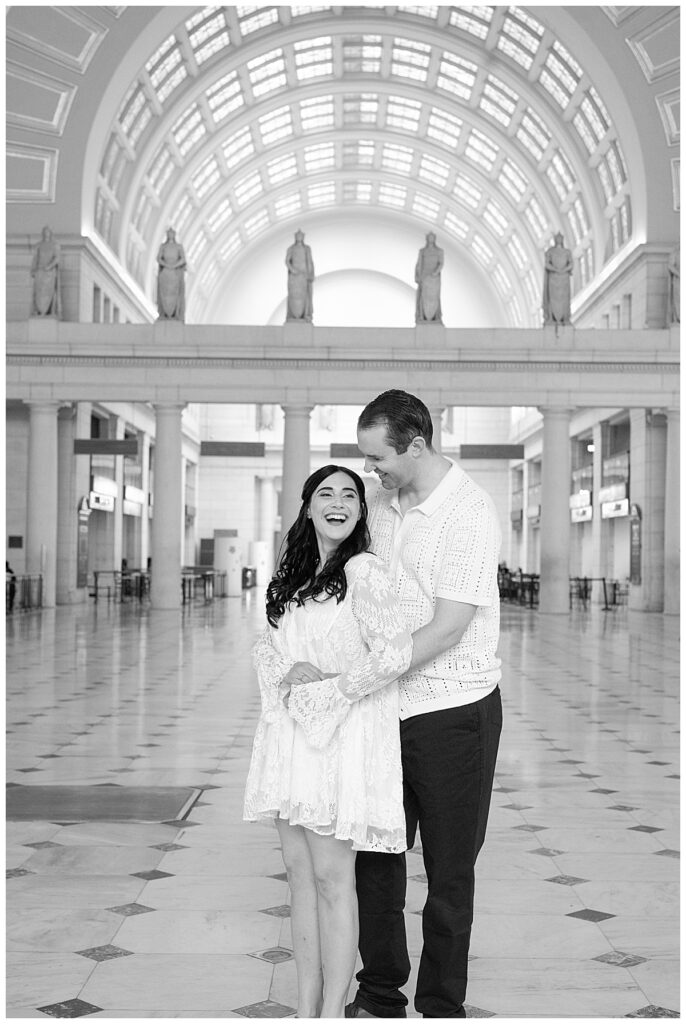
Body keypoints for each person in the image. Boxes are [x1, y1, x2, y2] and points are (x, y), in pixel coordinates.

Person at [347, 389, 503, 1019]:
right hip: (386, 712)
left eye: (377, 457)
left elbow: (448, 628)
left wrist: (361, 675)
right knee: (376, 860)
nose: (370, 471)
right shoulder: (382, 505)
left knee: (448, 871)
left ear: (415, 445)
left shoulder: (468, 511)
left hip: (454, 715)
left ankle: (441, 1005)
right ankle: (381, 991)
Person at [244, 465, 413, 1018]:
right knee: (297, 877)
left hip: (340, 742)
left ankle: (335, 1010)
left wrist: (330, 688)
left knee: (333, 879)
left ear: (362, 511)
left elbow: (393, 654)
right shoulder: (291, 575)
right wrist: (288, 671)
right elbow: (266, 648)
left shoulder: (365, 571)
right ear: (308, 506)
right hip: (291, 740)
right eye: (326, 494)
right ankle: (305, 1005)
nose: (337, 502)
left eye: (349, 495)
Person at [542, 232, 573, 325]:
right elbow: (547, 264)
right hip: (553, 279)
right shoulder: (550, 252)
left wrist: (564, 270)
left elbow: (571, 264)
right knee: (552, 299)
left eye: (560, 238)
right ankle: (551, 318)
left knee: (564, 298)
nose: (559, 240)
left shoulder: (567, 252)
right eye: (557, 238)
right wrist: (555, 269)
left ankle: (565, 318)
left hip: (564, 279)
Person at [156, 227, 186, 320]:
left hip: (174, 273)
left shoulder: (178, 247)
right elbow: (158, 258)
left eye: (172, 233)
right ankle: (165, 313)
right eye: (169, 233)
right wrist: (166, 265)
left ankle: (174, 313)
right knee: (164, 294)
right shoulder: (163, 246)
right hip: (165, 273)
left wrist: (174, 266)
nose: (170, 235)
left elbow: (183, 259)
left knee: (174, 293)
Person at [30, 226, 60, 317]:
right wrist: (33, 269)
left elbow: (57, 258)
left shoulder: (54, 245)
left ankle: (47, 311)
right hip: (40, 271)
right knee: (38, 291)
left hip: (49, 273)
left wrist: (49, 267)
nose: (46, 233)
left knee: (48, 292)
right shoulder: (38, 245)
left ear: (50, 233)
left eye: (47, 231)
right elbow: (35, 258)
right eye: (44, 231)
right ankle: (39, 310)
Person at [285, 229, 314, 322]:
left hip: (304, 275)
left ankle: (305, 314)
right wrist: (293, 269)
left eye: (301, 236)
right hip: (295, 276)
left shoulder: (307, 249)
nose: (299, 237)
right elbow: (287, 261)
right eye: (298, 236)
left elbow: (310, 261)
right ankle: (293, 315)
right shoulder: (291, 248)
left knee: (305, 295)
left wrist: (310, 274)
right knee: (294, 295)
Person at [414, 232, 444, 324]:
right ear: (427, 239)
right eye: (429, 237)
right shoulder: (422, 251)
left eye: (432, 237)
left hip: (434, 278)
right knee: (423, 297)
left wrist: (435, 273)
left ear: (434, 239)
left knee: (434, 297)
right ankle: (423, 317)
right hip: (424, 276)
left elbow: (441, 263)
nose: (431, 239)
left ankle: (435, 317)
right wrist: (417, 275)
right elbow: (419, 264)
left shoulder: (439, 251)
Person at [668, 246, 680, 324]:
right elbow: (670, 266)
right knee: (678, 300)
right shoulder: (676, 253)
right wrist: (679, 274)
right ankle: (679, 318)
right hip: (678, 280)